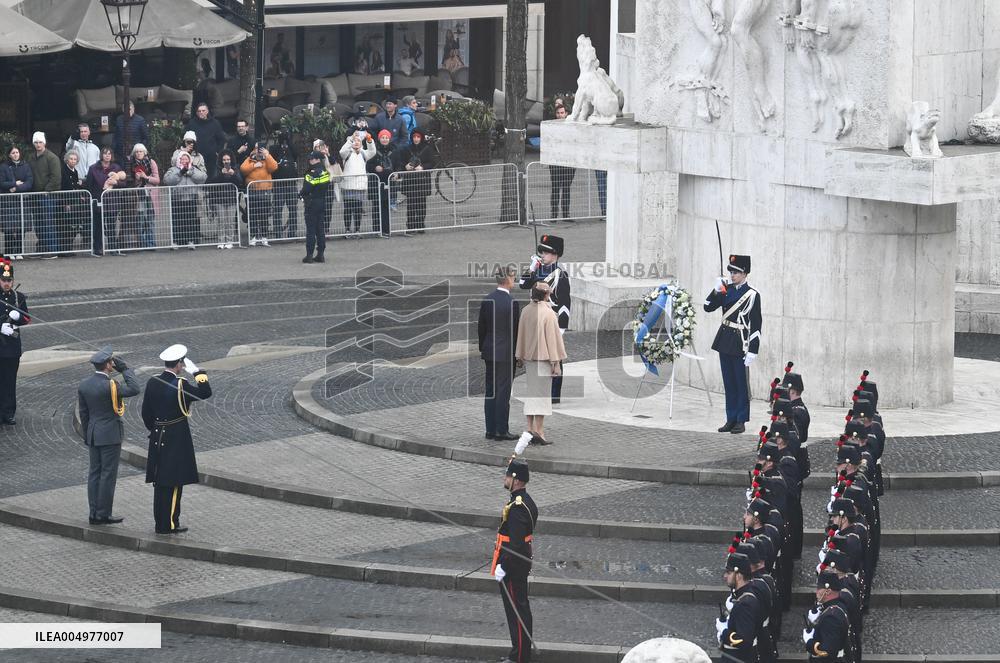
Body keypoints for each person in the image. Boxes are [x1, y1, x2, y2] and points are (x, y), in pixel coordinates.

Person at [141, 344, 212, 534]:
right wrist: (198, 373)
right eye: (182, 363)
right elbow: (205, 392)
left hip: (157, 436)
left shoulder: (152, 382)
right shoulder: (181, 384)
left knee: (160, 482)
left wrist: (155, 428)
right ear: (180, 364)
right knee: (173, 482)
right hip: (175, 437)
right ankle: (169, 524)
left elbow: (146, 413)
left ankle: (160, 522)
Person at [78, 346, 140, 525]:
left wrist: (88, 435)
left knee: (94, 473)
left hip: (93, 434)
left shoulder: (85, 384)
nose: (113, 363)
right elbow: (135, 389)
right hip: (110, 435)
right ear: (107, 365)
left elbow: (84, 414)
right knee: (107, 475)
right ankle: (103, 514)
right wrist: (125, 369)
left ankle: (93, 512)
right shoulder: (111, 386)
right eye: (112, 361)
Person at [704, 253, 761, 434]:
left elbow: (756, 325)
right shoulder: (725, 289)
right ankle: (730, 418)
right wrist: (716, 290)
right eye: (731, 272)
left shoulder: (752, 295)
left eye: (736, 272)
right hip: (724, 339)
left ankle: (741, 420)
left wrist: (753, 349)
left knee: (740, 383)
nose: (732, 275)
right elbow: (707, 307)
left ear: (745, 274)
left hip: (740, 342)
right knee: (728, 382)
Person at [491, 457, 537, 663]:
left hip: (513, 563)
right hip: (517, 561)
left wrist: (503, 565)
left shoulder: (518, 506)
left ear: (516, 480)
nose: (505, 478)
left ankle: (519, 658)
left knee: (517, 612)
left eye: (508, 475)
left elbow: (516, 544)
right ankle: (519, 653)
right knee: (519, 608)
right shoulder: (523, 500)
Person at [518, 234, 571, 402]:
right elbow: (522, 284)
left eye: (546, 252)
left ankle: (554, 395)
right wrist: (532, 268)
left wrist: (561, 329)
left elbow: (564, 305)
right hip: (535, 320)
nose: (542, 255)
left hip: (551, 321)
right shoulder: (537, 270)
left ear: (555, 254)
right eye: (541, 252)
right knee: (537, 356)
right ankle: (539, 388)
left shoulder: (560, 275)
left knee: (554, 357)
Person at [514, 282, 565, 444]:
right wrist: (556, 362)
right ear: (546, 295)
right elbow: (553, 340)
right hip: (543, 359)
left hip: (529, 358)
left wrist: (519, 356)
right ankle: (539, 431)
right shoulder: (548, 314)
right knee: (542, 395)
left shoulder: (526, 311)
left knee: (531, 393)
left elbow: (521, 334)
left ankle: (529, 428)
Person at [479, 266, 520, 442]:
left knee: (490, 391)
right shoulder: (512, 303)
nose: (515, 280)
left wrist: (484, 347)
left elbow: (481, 327)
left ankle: (490, 429)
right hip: (505, 354)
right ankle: (501, 430)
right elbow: (515, 331)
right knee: (503, 393)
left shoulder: (487, 300)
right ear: (508, 279)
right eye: (514, 277)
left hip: (490, 351)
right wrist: (517, 354)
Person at [716, 552, 762, 663]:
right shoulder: (743, 595)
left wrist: (724, 632)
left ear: (739, 575)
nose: (725, 576)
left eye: (729, 572)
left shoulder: (745, 603)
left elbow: (744, 641)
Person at [0, 258, 28, 425]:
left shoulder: (19, 297)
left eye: (9, 280)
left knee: (10, 381)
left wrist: (17, 319)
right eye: (3, 280)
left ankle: (8, 412)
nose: (7, 284)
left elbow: (27, 318)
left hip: (11, 347)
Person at [84, 147, 126, 256]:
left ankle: (113, 248)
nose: (107, 156)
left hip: (112, 202)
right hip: (98, 200)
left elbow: (124, 183)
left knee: (112, 226)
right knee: (98, 226)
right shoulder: (93, 168)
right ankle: (98, 248)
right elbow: (88, 185)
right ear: (101, 155)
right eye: (105, 153)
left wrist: (116, 183)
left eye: (109, 154)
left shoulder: (116, 168)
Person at [803, 572, 853, 662]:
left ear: (828, 591)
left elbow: (827, 652)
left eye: (819, 588)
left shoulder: (831, 617)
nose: (816, 592)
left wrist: (810, 642)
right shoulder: (837, 605)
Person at [163, 151, 208, 249]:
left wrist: (191, 173)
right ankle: (176, 241)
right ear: (178, 160)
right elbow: (167, 180)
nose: (184, 161)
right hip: (177, 199)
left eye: (186, 159)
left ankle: (190, 241)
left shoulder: (194, 169)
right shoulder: (173, 169)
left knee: (190, 221)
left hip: (191, 198)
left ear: (189, 160)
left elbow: (203, 178)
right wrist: (180, 173)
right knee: (177, 221)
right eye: (182, 159)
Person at [27, 131, 62, 256]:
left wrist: (46, 191)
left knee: (48, 223)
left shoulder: (52, 157)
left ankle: (52, 251)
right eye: (35, 142)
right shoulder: (31, 157)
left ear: (44, 143)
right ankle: (42, 248)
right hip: (35, 196)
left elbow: (56, 177)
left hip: (48, 196)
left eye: (40, 142)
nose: (38, 144)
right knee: (38, 224)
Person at [396, 128, 435, 235]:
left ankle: (420, 224)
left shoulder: (427, 149)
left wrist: (422, 167)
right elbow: (401, 163)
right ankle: (410, 226)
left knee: (422, 204)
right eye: (414, 137)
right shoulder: (406, 149)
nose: (416, 139)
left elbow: (432, 163)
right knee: (411, 205)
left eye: (418, 137)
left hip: (422, 180)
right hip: (410, 181)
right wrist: (405, 166)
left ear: (421, 137)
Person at [240, 141, 278, 246]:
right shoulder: (250, 158)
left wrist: (267, 155)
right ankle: (253, 236)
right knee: (252, 215)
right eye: (256, 148)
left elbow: (274, 167)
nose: (258, 150)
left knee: (264, 215)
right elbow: (243, 169)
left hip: (265, 191)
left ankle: (264, 236)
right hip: (252, 191)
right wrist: (254, 165)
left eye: (260, 148)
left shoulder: (267, 158)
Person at [339, 132, 375, 237]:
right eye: (355, 141)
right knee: (348, 209)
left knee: (358, 209)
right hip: (348, 185)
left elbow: (372, 151)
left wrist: (369, 140)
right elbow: (342, 151)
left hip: (360, 186)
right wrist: (350, 139)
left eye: (358, 141)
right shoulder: (347, 153)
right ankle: (347, 230)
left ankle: (357, 230)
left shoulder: (364, 153)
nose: (356, 142)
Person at [125, 143, 160, 250]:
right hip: (138, 195)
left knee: (150, 220)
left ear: (145, 152)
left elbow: (157, 180)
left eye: (141, 151)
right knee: (139, 220)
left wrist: (146, 177)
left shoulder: (151, 162)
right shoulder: (131, 163)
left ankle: (151, 244)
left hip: (149, 194)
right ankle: (142, 243)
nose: (139, 153)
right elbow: (128, 181)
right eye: (137, 152)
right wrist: (136, 178)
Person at [0, 146, 32, 258]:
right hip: (8, 201)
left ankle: (18, 251)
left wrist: (16, 188)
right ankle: (8, 252)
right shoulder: (4, 167)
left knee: (20, 226)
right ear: (9, 154)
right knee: (8, 227)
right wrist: (14, 183)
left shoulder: (26, 166)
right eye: (13, 153)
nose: (15, 154)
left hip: (21, 200)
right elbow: (2, 182)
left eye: (17, 152)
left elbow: (29, 182)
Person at [300, 150, 331, 264]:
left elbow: (306, 189)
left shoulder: (311, 173)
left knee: (311, 231)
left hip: (311, 203)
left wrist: (301, 193)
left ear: (318, 159)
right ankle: (321, 255)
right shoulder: (325, 172)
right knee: (320, 230)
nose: (310, 160)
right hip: (322, 202)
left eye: (312, 159)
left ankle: (309, 255)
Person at [208, 150, 242, 249]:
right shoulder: (217, 168)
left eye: (228, 159)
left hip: (231, 199)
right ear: (221, 160)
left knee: (230, 221)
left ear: (231, 160)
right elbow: (212, 181)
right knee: (221, 221)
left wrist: (233, 174)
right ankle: (221, 241)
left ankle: (229, 240)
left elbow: (240, 181)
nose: (226, 161)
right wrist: (221, 174)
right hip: (219, 199)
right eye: (224, 160)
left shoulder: (235, 168)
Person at [548, 106, 576, 222]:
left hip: (568, 161)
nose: (560, 115)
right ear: (556, 114)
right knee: (555, 188)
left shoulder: (571, 127)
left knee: (566, 188)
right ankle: (554, 214)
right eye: (558, 113)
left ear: (566, 114)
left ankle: (566, 214)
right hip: (555, 162)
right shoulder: (552, 126)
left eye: (562, 113)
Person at [366, 129, 397, 236]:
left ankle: (386, 229)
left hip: (389, 182)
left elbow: (398, 164)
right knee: (376, 206)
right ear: (379, 139)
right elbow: (368, 166)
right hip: (376, 182)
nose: (384, 139)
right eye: (383, 137)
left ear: (389, 139)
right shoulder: (373, 151)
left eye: (386, 137)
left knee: (386, 207)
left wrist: (397, 173)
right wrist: (375, 167)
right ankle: (376, 229)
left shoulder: (394, 150)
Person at [60, 150, 90, 253]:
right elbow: (63, 188)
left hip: (75, 201)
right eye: (71, 159)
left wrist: (80, 195)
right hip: (67, 201)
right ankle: (65, 249)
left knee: (74, 225)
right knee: (67, 226)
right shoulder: (63, 171)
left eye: (75, 159)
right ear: (67, 160)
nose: (73, 161)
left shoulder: (75, 171)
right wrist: (65, 203)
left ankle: (69, 247)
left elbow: (75, 186)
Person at [187, 103, 227, 179]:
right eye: (199, 111)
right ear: (196, 113)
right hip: (196, 156)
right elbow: (186, 138)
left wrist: (218, 151)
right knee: (196, 177)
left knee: (212, 177)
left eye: (203, 110)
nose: (201, 112)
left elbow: (222, 139)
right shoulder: (192, 123)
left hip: (211, 157)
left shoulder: (215, 123)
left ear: (207, 111)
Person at [271, 141, 300, 239]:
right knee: (277, 210)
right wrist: (280, 143)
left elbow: (297, 153)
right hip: (278, 185)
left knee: (293, 209)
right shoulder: (274, 148)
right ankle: (278, 233)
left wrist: (289, 140)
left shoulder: (292, 148)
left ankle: (292, 232)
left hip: (291, 184)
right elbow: (272, 156)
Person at [112, 102, 149, 167]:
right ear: (123, 110)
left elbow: (146, 138)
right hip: (121, 152)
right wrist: (114, 150)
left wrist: (140, 150)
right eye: (126, 110)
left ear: (133, 109)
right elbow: (116, 136)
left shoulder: (140, 120)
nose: (128, 111)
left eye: (129, 109)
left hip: (136, 152)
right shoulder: (119, 119)